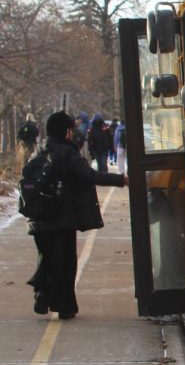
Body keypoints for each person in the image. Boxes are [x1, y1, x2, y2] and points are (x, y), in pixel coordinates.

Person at [26, 111, 126, 320]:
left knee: (49, 260)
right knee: (66, 262)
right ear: (67, 132)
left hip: (39, 216)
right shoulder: (67, 153)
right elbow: (90, 175)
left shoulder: (42, 150)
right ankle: (60, 304)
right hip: (61, 218)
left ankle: (48, 298)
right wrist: (121, 180)